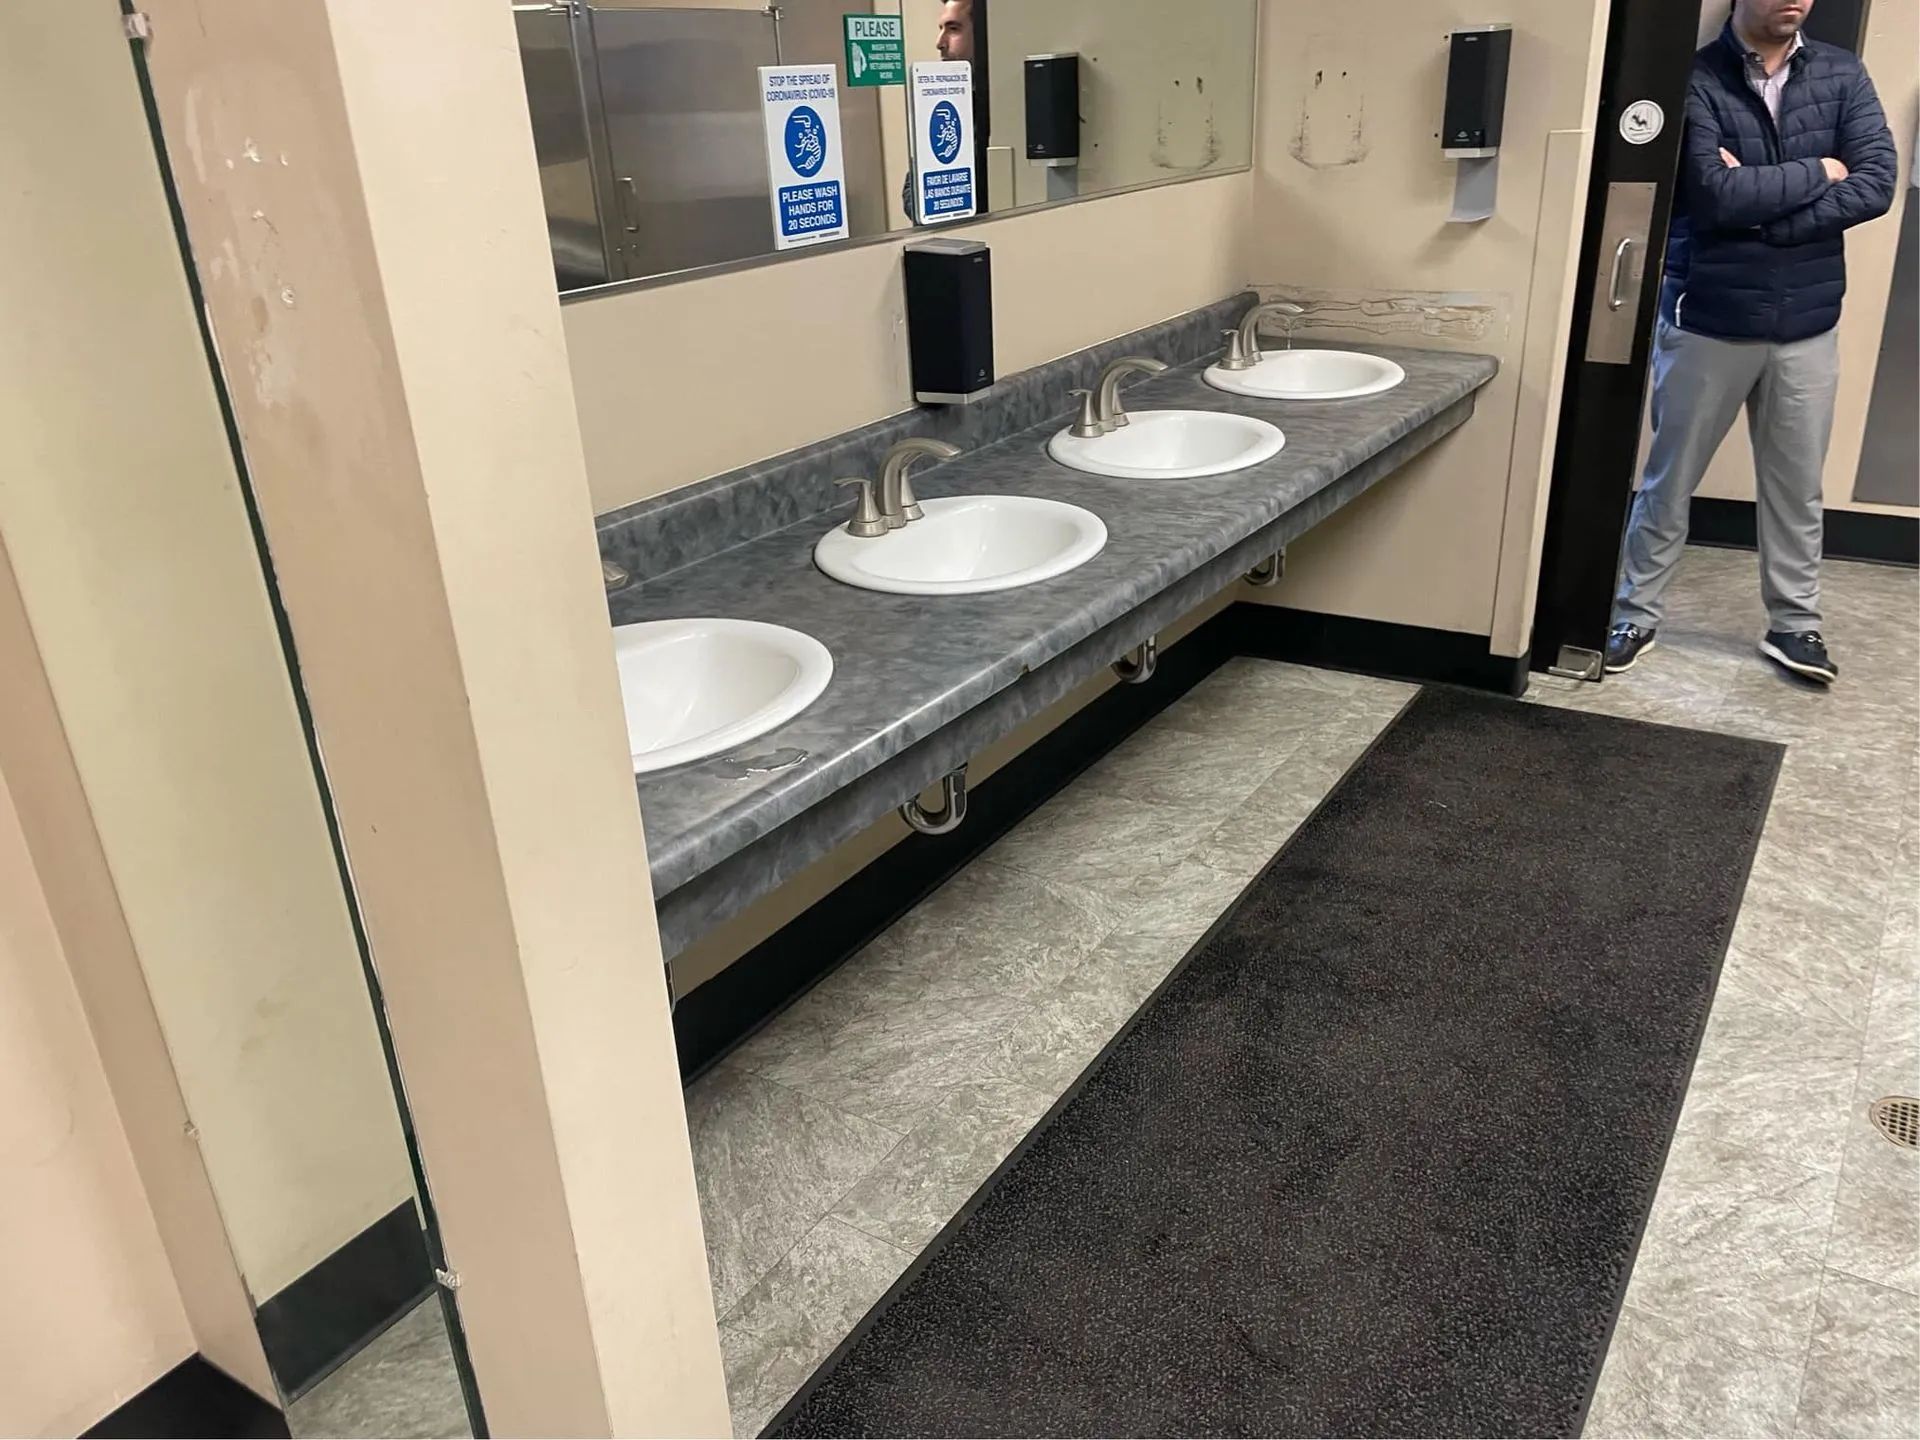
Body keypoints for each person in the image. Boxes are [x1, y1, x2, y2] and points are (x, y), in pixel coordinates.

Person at [1606, 0, 1895, 684]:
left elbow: (1877, 183)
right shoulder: (1694, 78)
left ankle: (1796, 627)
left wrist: (1773, 218)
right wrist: (1820, 171)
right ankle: (1634, 612)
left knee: (1797, 489)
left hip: (1808, 323)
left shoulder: (1842, 74)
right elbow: (1711, 195)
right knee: (1667, 481)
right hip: (1708, 314)